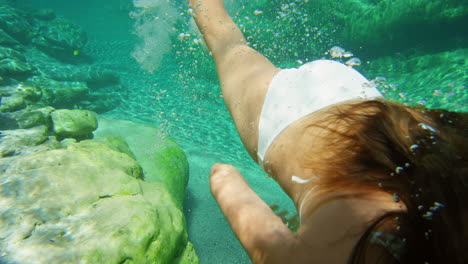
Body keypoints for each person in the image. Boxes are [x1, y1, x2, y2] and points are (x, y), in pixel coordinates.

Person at [188, 0, 468, 263]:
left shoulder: (453, 229)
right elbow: (222, 176)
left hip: (357, 97)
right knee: (227, 43)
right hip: (277, 118)